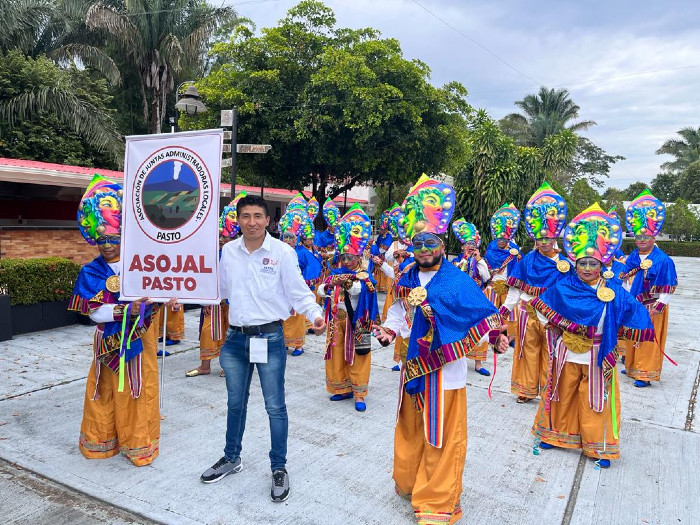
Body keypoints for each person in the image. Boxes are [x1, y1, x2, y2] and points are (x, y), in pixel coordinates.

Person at [375, 174, 509, 525]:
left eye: (430, 242)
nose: (423, 250)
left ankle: (436, 501)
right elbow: (399, 314)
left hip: (447, 375)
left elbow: (480, 315)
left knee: (443, 439)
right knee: (411, 429)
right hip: (414, 370)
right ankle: (411, 483)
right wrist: (390, 331)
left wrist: (495, 337)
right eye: (418, 243)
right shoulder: (405, 277)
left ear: (442, 241)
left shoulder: (458, 280)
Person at [200, 194, 326, 503]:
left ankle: (279, 468)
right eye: (246, 216)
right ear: (238, 219)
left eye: (258, 216)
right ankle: (232, 458)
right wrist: (185, 294)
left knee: (274, 406)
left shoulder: (282, 252)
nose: (252, 222)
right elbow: (219, 290)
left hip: (269, 339)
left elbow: (299, 291)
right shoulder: (228, 251)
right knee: (234, 404)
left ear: (268, 220)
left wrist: (315, 315)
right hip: (235, 340)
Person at [529, 204, 654, 468]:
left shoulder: (613, 290)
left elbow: (635, 312)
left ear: (602, 264)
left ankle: (600, 448)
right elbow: (542, 308)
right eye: (582, 263)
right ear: (575, 263)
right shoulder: (563, 287)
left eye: (592, 263)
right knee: (560, 394)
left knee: (596, 401)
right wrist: (555, 329)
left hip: (598, 353)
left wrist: (629, 329)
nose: (586, 268)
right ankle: (555, 435)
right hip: (567, 352)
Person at [68, 174, 162, 466]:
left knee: (137, 390)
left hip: (138, 340)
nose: (106, 245)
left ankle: (138, 445)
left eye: (112, 239)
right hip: (107, 341)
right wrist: (125, 310)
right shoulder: (90, 272)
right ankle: (101, 443)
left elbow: (158, 295)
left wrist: (162, 300)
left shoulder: (143, 265)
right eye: (101, 239)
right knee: (103, 391)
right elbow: (94, 313)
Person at [500, 182, 572, 403]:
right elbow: (515, 291)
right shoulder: (528, 260)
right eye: (540, 239)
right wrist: (503, 310)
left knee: (552, 353)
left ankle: (549, 390)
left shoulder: (566, 264)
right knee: (526, 351)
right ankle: (526, 389)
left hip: (553, 317)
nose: (544, 242)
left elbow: (569, 295)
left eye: (548, 238)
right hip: (527, 313)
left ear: (555, 238)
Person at [317, 204, 380, 412]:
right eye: (343, 257)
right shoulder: (336, 273)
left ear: (358, 257)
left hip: (357, 322)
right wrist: (330, 286)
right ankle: (341, 388)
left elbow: (360, 293)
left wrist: (349, 283)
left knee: (358, 356)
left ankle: (359, 393)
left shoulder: (364, 275)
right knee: (336, 354)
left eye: (350, 257)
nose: (346, 260)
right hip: (336, 321)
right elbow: (321, 291)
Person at [619, 190, 678, 387]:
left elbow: (668, 287)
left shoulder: (663, 260)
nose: (642, 239)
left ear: (654, 237)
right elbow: (624, 278)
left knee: (648, 339)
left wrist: (660, 305)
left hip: (653, 305)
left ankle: (645, 373)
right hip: (634, 303)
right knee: (633, 336)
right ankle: (632, 366)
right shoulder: (633, 257)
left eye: (646, 236)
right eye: (638, 236)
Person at [186, 192, 245, 378]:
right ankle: (205, 365)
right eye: (220, 237)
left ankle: (228, 365)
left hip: (232, 302)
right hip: (211, 302)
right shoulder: (209, 253)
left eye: (226, 238)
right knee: (207, 332)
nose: (221, 240)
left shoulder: (240, 254)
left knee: (231, 334)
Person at [452, 218, 492, 376]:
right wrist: (465, 260)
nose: (470, 247)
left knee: (480, 329)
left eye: (473, 244)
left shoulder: (481, 261)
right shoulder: (456, 261)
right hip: (460, 300)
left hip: (476, 299)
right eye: (467, 244)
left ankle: (478, 362)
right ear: (462, 246)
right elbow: (456, 277)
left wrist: (478, 260)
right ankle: (456, 356)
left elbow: (486, 277)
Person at [278, 204, 319, 357]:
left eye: (291, 237)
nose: (288, 240)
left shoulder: (302, 252)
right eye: (285, 237)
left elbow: (313, 267)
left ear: (297, 239)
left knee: (297, 317)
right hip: (282, 289)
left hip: (295, 288)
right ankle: (284, 343)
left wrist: (306, 281)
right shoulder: (279, 250)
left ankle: (298, 345)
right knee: (283, 316)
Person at [483, 203, 523, 342]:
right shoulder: (491, 247)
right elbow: (484, 264)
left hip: (508, 286)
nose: (501, 241)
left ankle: (511, 337)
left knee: (511, 312)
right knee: (491, 313)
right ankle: (490, 336)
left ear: (509, 238)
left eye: (504, 239)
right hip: (493, 285)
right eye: (499, 239)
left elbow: (519, 268)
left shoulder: (514, 250)